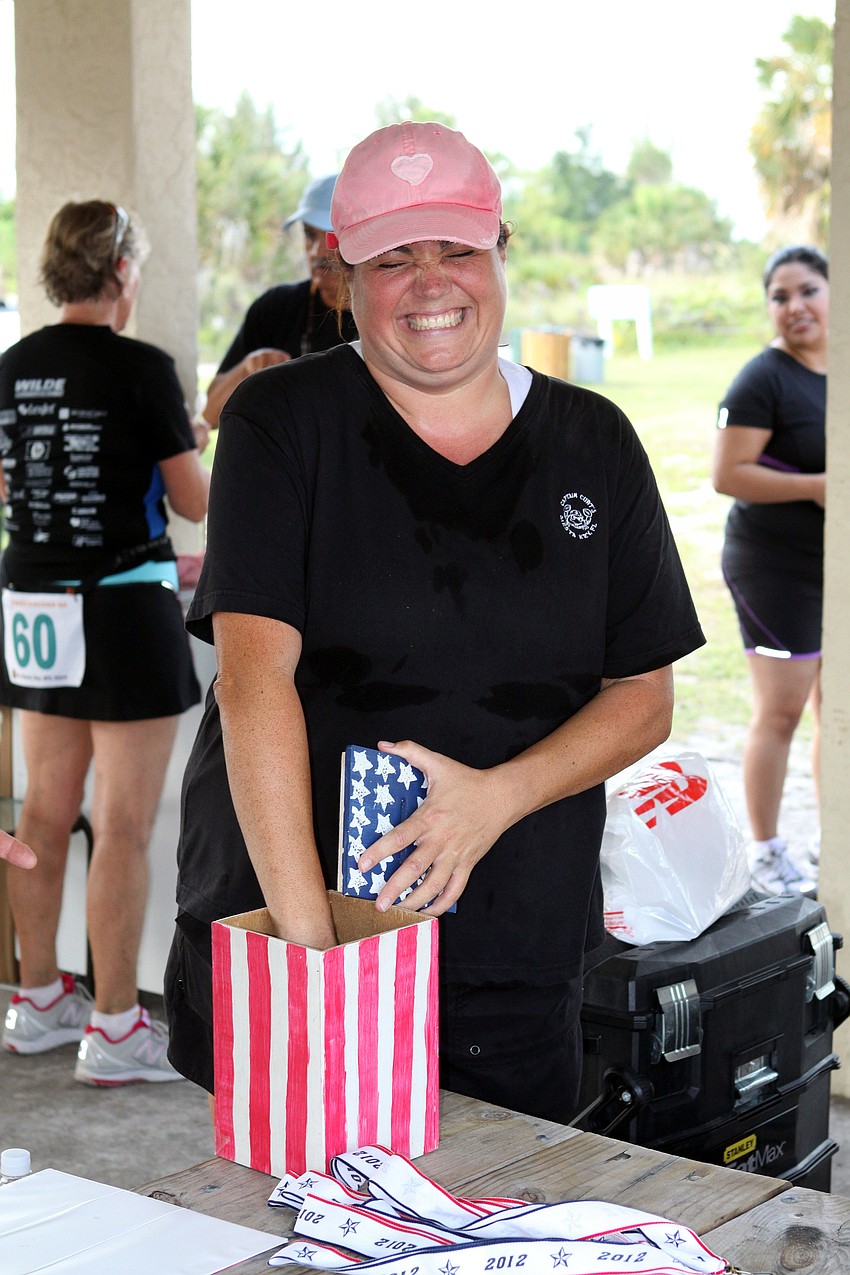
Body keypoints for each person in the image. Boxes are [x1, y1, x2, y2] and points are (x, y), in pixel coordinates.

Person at [165, 122, 704, 1123]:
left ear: (499, 251)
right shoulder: (281, 424)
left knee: (495, 1206)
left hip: (511, 938)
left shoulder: (593, 442)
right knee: (286, 1224)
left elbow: (642, 698)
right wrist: (318, 963)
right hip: (295, 911)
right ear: (341, 278)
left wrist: (495, 800)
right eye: (391, 258)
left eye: (455, 248)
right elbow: (252, 681)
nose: (429, 282)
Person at [0, 200, 210, 1083]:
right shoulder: (142, 369)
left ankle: (38, 999)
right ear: (122, 270)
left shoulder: (11, 366)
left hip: (31, 601)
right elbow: (193, 500)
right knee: (120, 823)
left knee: (43, 814)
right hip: (125, 606)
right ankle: (117, 1027)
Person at [712, 244, 827, 897]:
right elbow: (727, 473)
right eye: (780, 297)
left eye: (808, 289)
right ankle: (766, 850)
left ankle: (826, 836)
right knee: (780, 712)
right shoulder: (763, 378)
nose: (795, 306)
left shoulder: (833, 370)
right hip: (772, 567)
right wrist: (816, 486)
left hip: (829, 566)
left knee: (832, 710)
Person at [201, 173, 358, 429]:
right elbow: (210, 414)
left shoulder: (382, 310)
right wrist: (249, 369)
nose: (316, 251)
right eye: (309, 235)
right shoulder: (276, 308)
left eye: (330, 236)